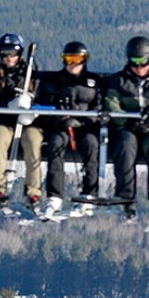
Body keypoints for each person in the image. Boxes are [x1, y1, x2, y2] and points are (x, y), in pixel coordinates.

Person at [104, 35, 149, 222]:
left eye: (143, 62)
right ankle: (127, 200)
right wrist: (127, 121)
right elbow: (112, 104)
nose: (139, 67)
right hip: (128, 128)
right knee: (126, 146)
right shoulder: (119, 80)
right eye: (134, 62)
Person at [42, 41, 102, 216]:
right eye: (69, 59)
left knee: (91, 144)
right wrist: (59, 117)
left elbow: (99, 106)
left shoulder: (93, 81)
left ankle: (89, 193)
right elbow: (46, 103)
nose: (73, 64)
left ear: (85, 60)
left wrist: (84, 120)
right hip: (61, 125)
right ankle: (55, 196)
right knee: (56, 144)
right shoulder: (55, 81)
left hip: (85, 126)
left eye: (78, 59)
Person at [0, 33, 43, 210]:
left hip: (28, 123)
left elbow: (41, 97)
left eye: (12, 53)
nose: (9, 57)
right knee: (0, 138)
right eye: (4, 53)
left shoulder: (31, 75)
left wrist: (31, 106)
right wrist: (9, 105)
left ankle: (33, 191)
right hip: (4, 121)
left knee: (33, 141)